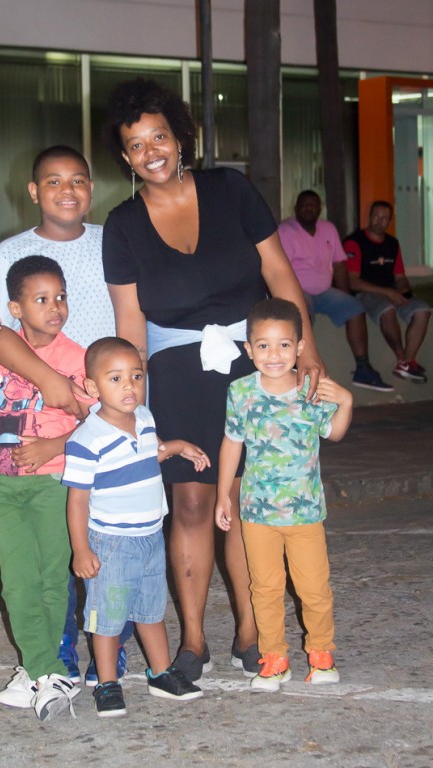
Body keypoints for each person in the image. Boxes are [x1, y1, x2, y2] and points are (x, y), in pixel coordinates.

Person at [102, 78, 325, 682]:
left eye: (159, 137)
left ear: (180, 138)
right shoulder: (122, 225)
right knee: (193, 502)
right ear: (125, 157)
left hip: (257, 367)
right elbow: (130, 325)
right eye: (136, 144)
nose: (150, 151)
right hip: (177, 376)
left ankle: (252, 633)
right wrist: (132, 407)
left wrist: (308, 353)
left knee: (249, 503)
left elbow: (280, 275)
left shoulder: (230, 189)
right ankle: (194, 642)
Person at [0, 145, 132, 689]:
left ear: (92, 186)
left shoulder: (112, 243)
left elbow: (131, 316)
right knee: (54, 549)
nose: (68, 190)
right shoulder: (10, 255)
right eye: (53, 181)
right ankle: (57, 649)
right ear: (33, 191)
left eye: (78, 180)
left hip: (105, 410)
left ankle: (111, 644)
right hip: (42, 423)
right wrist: (51, 382)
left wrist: (127, 393)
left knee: (106, 538)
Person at [0, 255, 83, 722]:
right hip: (6, 482)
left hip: (54, 482)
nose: (55, 307)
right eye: (41, 299)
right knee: (15, 581)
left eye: (60, 297)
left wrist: (53, 445)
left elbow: (96, 421)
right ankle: (42, 670)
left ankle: (47, 670)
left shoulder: (76, 358)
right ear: (16, 308)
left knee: (51, 578)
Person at [63, 337, 206, 717]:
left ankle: (161, 673)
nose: (129, 386)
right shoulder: (86, 439)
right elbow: (77, 500)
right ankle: (107, 683)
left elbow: (149, 454)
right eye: (115, 378)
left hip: (150, 536)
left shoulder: (144, 418)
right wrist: (81, 549)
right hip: (112, 543)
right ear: (92, 386)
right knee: (108, 618)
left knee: (151, 611)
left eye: (136, 376)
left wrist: (177, 446)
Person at [215, 298, 353, 692]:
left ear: (299, 347)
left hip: (305, 513)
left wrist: (346, 401)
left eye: (284, 345)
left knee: (314, 588)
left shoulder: (311, 391)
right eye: (263, 345)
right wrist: (223, 494)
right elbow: (232, 442)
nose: (273, 355)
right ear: (248, 349)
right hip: (257, 514)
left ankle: (321, 652)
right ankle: (273, 657)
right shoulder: (241, 391)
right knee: (265, 589)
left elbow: (335, 432)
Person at [278, 190, 392, 392]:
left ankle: (363, 368)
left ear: (320, 209)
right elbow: (281, 270)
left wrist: (345, 293)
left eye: (313, 205)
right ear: (295, 208)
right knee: (301, 314)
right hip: (298, 290)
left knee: (355, 308)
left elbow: (339, 265)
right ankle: (297, 370)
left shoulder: (328, 228)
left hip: (325, 291)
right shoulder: (286, 230)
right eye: (304, 204)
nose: (308, 208)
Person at [343, 201, 431, 383]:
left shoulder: (392, 243)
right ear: (369, 217)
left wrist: (405, 291)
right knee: (387, 310)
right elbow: (353, 281)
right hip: (365, 291)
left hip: (391, 290)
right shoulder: (354, 242)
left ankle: (407, 362)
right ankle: (402, 359)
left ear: (390, 221)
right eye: (375, 216)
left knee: (422, 310)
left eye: (384, 218)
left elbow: (400, 277)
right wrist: (388, 293)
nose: (379, 221)